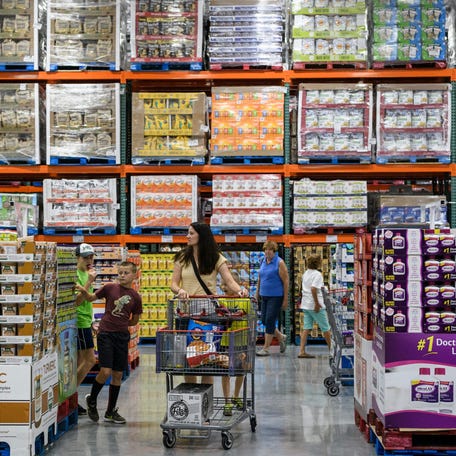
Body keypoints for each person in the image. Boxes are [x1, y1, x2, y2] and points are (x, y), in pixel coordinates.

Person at [170, 222, 248, 384]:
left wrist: (240, 291)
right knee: (188, 359)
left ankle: (206, 400)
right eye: (188, 233)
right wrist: (180, 291)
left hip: (209, 312)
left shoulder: (216, 257)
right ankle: (192, 393)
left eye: (191, 233)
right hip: (186, 311)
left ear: (201, 236)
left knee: (208, 359)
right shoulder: (181, 257)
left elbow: (229, 280)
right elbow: (173, 284)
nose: (187, 236)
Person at [76, 261, 142, 424]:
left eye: (126, 273)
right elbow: (91, 298)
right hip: (105, 333)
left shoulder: (135, 297)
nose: (122, 275)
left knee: (118, 374)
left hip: (122, 336)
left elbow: (134, 320)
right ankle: (92, 400)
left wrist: (121, 324)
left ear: (134, 275)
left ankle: (110, 411)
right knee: (105, 371)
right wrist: (84, 289)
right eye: (120, 272)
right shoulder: (109, 288)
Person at [220, 270, 249, 416]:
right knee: (226, 372)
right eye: (224, 284)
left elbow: (251, 317)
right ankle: (227, 402)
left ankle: (236, 396)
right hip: (225, 342)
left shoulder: (244, 301)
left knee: (240, 371)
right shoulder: (220, 300)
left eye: (228, 284)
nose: (225, 287)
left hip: (241, 341)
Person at [74, 243, 98, 415]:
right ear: (77, 258)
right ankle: (67, 394)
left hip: (85, 321)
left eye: (91, 257)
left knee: (77, 362)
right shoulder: (76, 275)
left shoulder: (85, 273)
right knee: (89, 360)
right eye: (85, 257)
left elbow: (88, 300)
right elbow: (76, 302)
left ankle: (71, 399)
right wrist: (89, 282)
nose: (89, 260)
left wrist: (91, 322)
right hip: (79, 322)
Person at [255, 240, 288, 356]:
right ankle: (280, 336)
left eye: (270, 250)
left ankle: (266, 348)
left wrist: (285, 299)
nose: (267, 252)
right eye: (265, 249)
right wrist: (257, 292)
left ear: (274, 251)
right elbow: (260, 278)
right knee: (264, 320)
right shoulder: (263, 261)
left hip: (276, 296)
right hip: (264, 296)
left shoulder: (279, 263)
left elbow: (286, 281)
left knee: (269, 320)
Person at [298, 254, 331, 359]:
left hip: (306, 304)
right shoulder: (317, 275)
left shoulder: (305, 273)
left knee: (306, 328)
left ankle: (302, 351)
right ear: (318, 263)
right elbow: (313, 289)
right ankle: (332, 350)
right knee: (326, 328)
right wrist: (317, 304)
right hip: (314, 305)